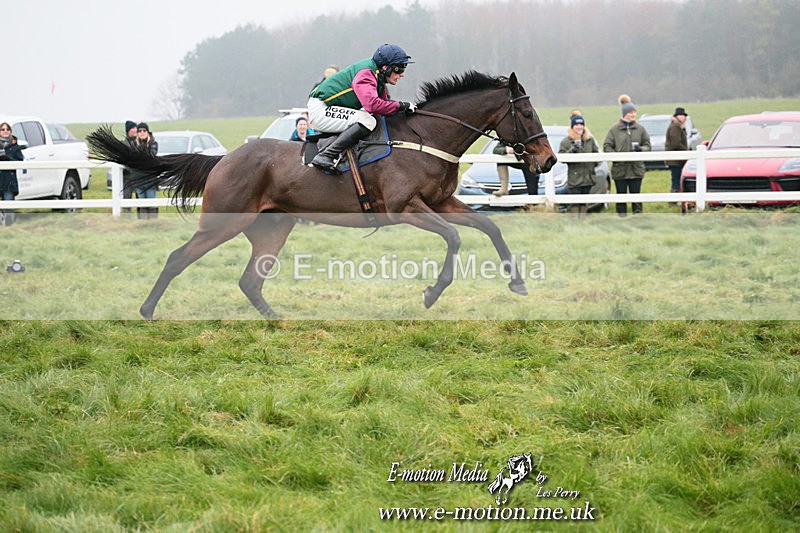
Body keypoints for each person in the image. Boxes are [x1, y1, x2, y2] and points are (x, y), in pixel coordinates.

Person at [307, 43, 416, 172]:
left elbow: (384, 106)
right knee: (368, 120)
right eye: (399, 69)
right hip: (321, 109)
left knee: (372, 117)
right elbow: (373, 105)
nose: (402, 74)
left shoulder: (378, 77)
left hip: (330, 107)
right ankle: (326, 155)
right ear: (385, 67)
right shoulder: (366, 74)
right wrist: (400, 105)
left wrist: (403, 109)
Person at [603, 95, 650, 216]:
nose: (633, 114)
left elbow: (648, 146)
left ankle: (638, 217)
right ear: (624, 113)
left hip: (636, 169)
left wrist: (641, 149)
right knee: (621, 196)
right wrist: (616, 156)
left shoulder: (640, 129)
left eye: (634, 112)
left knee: (636, 195)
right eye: (630, 112)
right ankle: (622, 217)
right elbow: (607, 146)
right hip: (620, 170)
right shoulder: (614, 130)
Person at [559, 114, 600, 217]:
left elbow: (597, 155)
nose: (579, 126)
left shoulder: (590, 140)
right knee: (574, 202)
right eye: (576, 124)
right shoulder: (566, 141)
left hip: (588, 177)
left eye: (581, 124)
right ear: (572, 127)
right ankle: (574, 221)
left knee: (584, 202)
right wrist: (572, 151)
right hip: (575, 178)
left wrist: (593, 166)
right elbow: (562, 158)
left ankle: (583, 221)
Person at [131, 122, 159, 219]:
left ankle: (154, 223)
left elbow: (151, 156)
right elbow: (134, 158)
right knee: (142, 203)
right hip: (138, 178)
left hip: (150, 178)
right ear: (137, 133)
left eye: (144, 130)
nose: (142, 132)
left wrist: (143, 146)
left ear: (148, 132)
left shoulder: (153, 143)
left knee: (151, 201)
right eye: (140, 131)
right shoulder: (133, 144)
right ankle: (143, 224)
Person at [0, 122, 24, 226]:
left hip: (8, 183)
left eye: (7, 129)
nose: (5, 131)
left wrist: (8, 158)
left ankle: (9, 227)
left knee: (8, 206)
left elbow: (20, 162)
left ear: (10, 132)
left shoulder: (15, 147)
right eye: (3, 129)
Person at [665, 106, 689, 206]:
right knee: (676, 181)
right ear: (676, 116)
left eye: (683, 115)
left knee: (677, 180)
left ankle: (674, 201)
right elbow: (676, 144)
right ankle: (673, 202)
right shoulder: (675, 127)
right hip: (675, 160)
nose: (682, 117)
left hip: (677, 159)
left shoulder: (678, 126)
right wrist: (686, 151)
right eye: (680, 115)